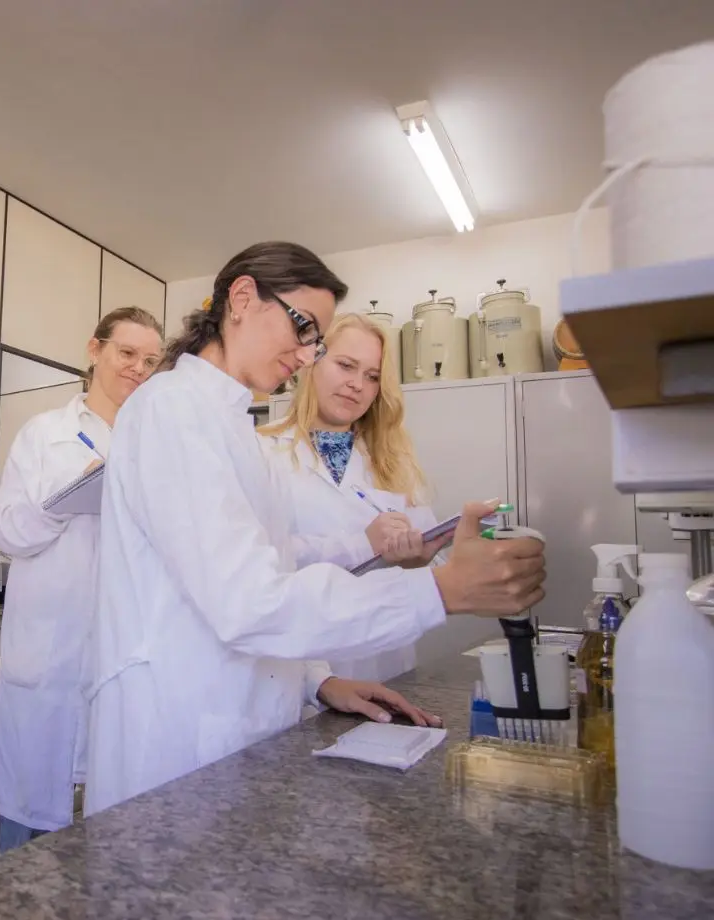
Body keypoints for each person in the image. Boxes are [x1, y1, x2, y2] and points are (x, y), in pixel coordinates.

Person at [84, 241, 546, 817]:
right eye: (304, 331)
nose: (305, 357)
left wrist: (318, 682)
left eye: (315, 343)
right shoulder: (170, 410)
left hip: (236, 733)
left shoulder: (230, 426)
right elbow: (249, 603)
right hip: (174, 742)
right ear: (243, 298)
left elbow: (278, 561)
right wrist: (439, 590)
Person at [0, 307, 164, 852]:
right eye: (127, 353)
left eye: (151, 361)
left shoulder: (156, 443)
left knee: (110, 849)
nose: (137, 368)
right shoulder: (44, 435)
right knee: (29, 852)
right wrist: (67, 497)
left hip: (123, 654)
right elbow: (4, 528)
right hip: (50, 657)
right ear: (96, 350)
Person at [259, 312, 445, 683]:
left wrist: (419, 558)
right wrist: (361, 544)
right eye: (346, 365)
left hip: (386, 658)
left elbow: (437, 555)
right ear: (312, 360)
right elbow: (259, 557)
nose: (356, 384)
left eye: (371, 376)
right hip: (304, 664)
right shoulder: (262, 450)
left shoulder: (393, 462)